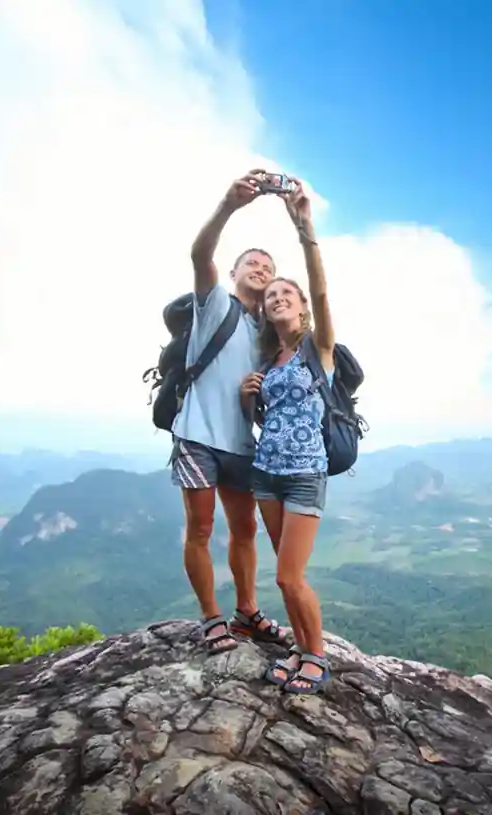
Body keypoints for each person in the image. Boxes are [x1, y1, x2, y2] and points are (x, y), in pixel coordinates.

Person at [173, 169, 292, 655]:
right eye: (253, 264)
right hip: (198, 435)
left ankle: (247, 611)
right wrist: (228, 204)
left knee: (245, 530)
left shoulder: (268, 334)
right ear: (236, 272)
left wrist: (254, 393)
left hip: (242, 443)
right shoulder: (214, 302)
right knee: (200, 529)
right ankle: (211, 618)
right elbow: (200, 254)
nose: (262, 269)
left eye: (268, 266)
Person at [238, 178, 335, 695]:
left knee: (288, 577)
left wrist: (305, 228)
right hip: (265, 476)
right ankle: (300, 648)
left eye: (285, 293)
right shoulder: (268, 360)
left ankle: (317, 656)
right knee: (284, 572)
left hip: (303, 475)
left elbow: (321, 288)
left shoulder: (316, 349)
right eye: (270, 294)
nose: (276, 297)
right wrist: (248, 395)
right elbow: (267, 418)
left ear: (300, 306)